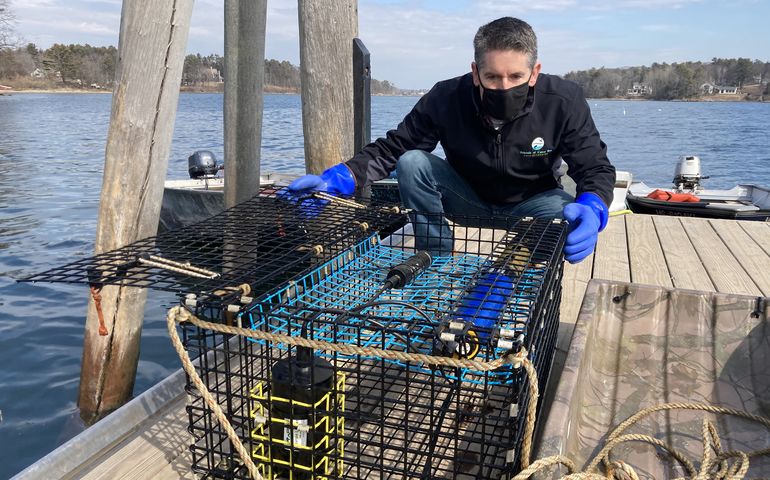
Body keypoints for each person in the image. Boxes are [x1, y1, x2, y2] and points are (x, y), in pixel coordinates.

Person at [287, 16, 615, 263]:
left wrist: (594, 206)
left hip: (532, 202)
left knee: (565, 210)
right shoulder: (446, 97)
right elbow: (394, 148)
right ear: (475, 73)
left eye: (515, 76)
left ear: (534, 72)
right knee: (412, 161)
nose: (503, 87)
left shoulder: (563, 99)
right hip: (467, 198)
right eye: (491, 77)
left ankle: (514, 269)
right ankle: (436, 259)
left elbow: (595, 167)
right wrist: (339, 177)